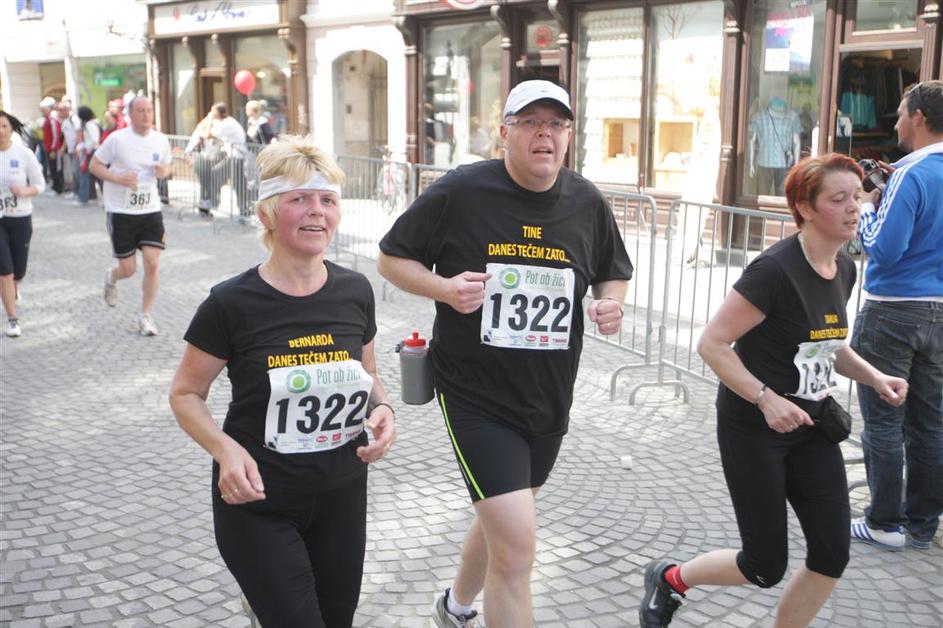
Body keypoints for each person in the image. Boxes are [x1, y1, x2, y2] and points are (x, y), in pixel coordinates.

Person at [378, 80, 632, 627]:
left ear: (569, 135)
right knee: (516, 548)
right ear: (505, 132)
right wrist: (445, 289)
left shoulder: (586, 201)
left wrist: (611, 304)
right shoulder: (462, 191)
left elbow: (613, 270)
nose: (545, 133)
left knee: (505, 519)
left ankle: (455, 607)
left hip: (548, 395)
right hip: (474, 394)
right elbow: (391, 258)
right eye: (531, 122)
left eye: (556, 123)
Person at [639, 153, 909, 628]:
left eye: (858, 196)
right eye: (839, 199)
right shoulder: (774, 271)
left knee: (832, 554)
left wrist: (874, 377)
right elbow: (712, 344)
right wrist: (765, 398)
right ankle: (670, 578)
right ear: (805, 208)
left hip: (812, 426)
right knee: (764, 564)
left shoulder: (843, 268)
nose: (855, 207)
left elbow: (827, 343)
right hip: (754, 428)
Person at [169, 135, 396, 627]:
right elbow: (185, 393)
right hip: (258, 499)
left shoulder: (355, 291)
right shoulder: (230, 303)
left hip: (341, 494)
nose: (317, 211)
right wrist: (225, 451)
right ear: (267, 214)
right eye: (300, 199)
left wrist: (382, 408)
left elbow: (368, 374)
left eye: (327, 200)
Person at [850, 80, 943, 551]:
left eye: (902, 113)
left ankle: (884, 522)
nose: (897, 123)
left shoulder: (911, 174)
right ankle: (922, 525)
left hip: (893, 310)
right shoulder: (915, 173)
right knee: (929, 422)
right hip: (939, 311)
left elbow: (884, 249)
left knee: (885, 420)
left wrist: (868, 207)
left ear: (919, 117)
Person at [89, 96, 172, 336]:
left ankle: (145, 315)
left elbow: (168, 166)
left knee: (153, 263)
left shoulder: (160, 139)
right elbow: (94, 165)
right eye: (141, 110)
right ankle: (113, 275)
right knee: (128, 269)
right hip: (121, 211)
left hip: (150, 209)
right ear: (130, 114)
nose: (146, 114)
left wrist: (164, 171)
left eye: (149, 110)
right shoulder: (117, 139)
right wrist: (118, 178)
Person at [0, 111, 46, 337]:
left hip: (20, 217)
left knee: (18, 271)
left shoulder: (24, 154)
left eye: (4, 126)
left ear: (11, 129)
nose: (0, 131)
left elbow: (40, 184)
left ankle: (14, 285)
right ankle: (12, 318)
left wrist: (24, 191)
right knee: (4, 271)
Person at [75, 106, 101, 205]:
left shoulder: (90, 124)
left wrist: (83, 146)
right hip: (92, 151)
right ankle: (91, 196)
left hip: (92, 152)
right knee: (92, 176)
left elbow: (94, 140)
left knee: (85, 174)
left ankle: (83, 198)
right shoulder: (92, 123)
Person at [40, 97, 62, 194]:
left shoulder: (53, 119)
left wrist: (53, 149)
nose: (43, 111)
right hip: (49, 147)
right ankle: (55, 187)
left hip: (53, 149)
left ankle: (58, 188)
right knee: (52, 168)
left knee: (55, 168)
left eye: (44, 109)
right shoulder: (48, 119)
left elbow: (56, 135)